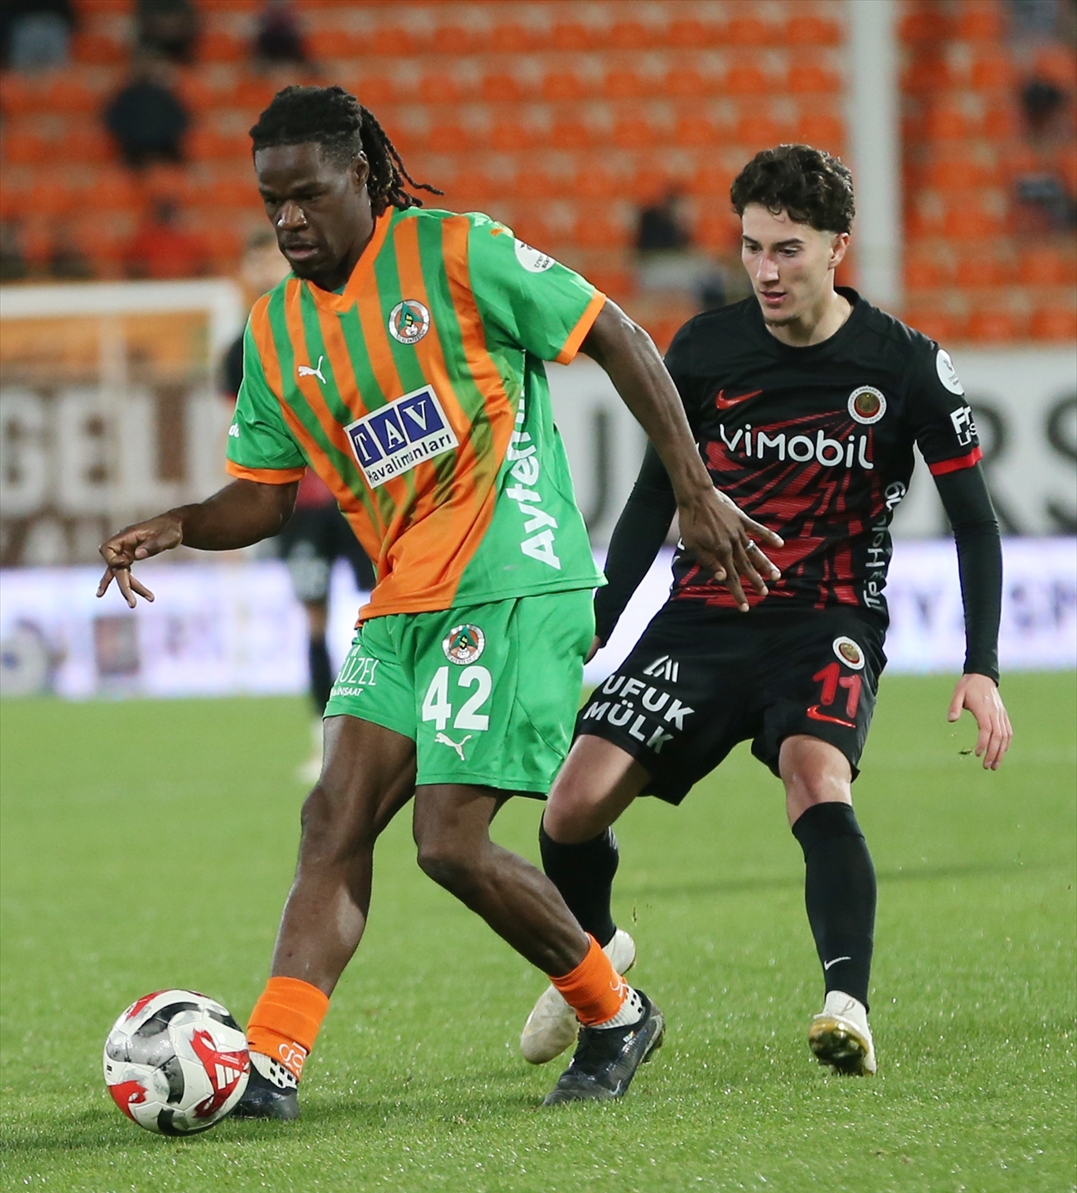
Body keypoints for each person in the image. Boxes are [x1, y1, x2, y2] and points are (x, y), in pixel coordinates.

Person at [96, 85, 782, 1116]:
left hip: (514, 579)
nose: (287, 219)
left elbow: (618, 334)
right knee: (331, 820)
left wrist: (694, 489)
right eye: (271, 201)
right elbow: (265, 497)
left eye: (306, 194)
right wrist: (183, 522)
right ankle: (272, 1060)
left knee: (447, 841)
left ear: (360, 176)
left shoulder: (459, 253)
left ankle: (614, 1013)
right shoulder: (277, 329)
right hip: (404, 598)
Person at [519, 144, 1013, 1079]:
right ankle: (597, 953)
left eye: (787, 249)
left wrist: (979, 665)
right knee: (570, 808)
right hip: (704, 615)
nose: (765, 270)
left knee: (815, 777)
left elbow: (975, 524)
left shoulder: (905, 365)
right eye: (751, 247)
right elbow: (652, 498)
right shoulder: (702, 349)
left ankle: (846, 1005)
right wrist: (600, 618)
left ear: (836, 247)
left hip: (826, 617)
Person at [221, 229, 375, 782]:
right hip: (301, 505)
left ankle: (401, 728)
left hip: (358, 493)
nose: (265, 270)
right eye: (255, 261)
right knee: (314, 620)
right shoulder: (238, 353)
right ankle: (324, 739)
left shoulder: (327, 320)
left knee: (391, 608)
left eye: (272, 258)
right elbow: (238, 434)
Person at [103, 53, 190, 170]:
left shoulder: (163, 96)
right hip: (136, 151)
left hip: (159, 149)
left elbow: (180, 120)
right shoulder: (128, 96)